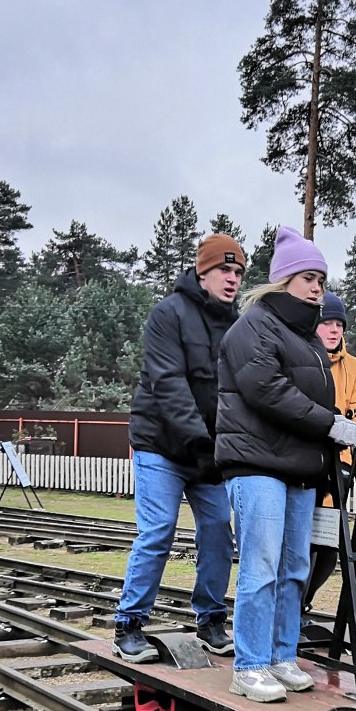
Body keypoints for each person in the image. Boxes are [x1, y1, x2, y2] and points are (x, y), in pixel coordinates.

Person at [215, 227, 356, 703]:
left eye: (320, 277)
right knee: (261, 566)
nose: (317, 286)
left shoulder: (308, 337)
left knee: (295, 567)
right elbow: (267, 390)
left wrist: (335, 428)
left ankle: (282, 655)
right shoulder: (252, 327)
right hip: (256, 463)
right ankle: (251, 665)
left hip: (299, 467)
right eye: (307, 277)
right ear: (282, 281)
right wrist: (330, 424)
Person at [112, 234, 245, 663]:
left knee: (219, 531)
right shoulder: (167, 314)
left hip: (209, 449)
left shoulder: (238, 325)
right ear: (202, 271)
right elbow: (168, 383)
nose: (232, 279)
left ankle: (210, 619)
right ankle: (129, 623)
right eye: (224, 270)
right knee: (158, 530)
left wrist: (225, 445)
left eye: (239, 272)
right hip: (161, 445)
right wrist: (200, 442)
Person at [303, 291, 356, 614]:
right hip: (302, 470)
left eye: (338, 324)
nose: (333, 330)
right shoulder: (303, 357)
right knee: (297, 551)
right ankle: (289, 611)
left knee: (327, 552)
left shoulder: (352, 368)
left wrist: (347, 465)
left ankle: (304, 606)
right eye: (326, 323)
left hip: (335, 475)